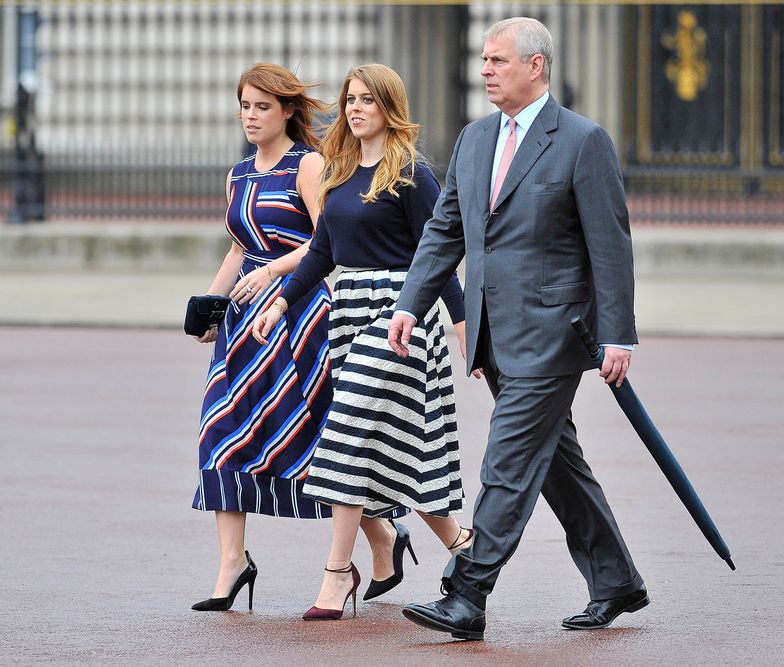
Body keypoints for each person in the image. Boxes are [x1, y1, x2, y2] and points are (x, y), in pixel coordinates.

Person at [388, 17, 648, 640]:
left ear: (536, 66)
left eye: (498, 60)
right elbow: (445, 230)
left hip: (556, 334)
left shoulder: (583, 141)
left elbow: (610, 246)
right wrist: (409, 303)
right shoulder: (475, 139)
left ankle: (466, 592)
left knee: (506, 460)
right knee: (554, 459)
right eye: (483, 60)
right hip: (492, 334)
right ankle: (614, 579)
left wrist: (619, 334)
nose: (485, 71)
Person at [253, 63, 476, 621]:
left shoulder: (413, 176)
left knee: (346, 431)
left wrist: (466, 328)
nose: (354, 109)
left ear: (388, 108)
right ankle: (462, 548)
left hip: (402, 315)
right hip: (349, 313)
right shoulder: (340, 173)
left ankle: (335, 572)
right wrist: (280, 302)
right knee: (390, 448)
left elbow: (439, 256)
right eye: (350, 100)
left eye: (366, 101)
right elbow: (323, 255)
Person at [189, 63, 335, 612]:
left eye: (262, 107)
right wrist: (207, 307)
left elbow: (328, 245)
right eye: (245, 106)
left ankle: (382, 535)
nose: (251, 116)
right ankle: (233, 563)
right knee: (220, 431)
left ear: (288, 111)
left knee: (316, 438)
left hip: (298, 316)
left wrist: (273, 274)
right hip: (242, 326)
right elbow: (235, 249)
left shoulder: (309, 165)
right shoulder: (239, 173)